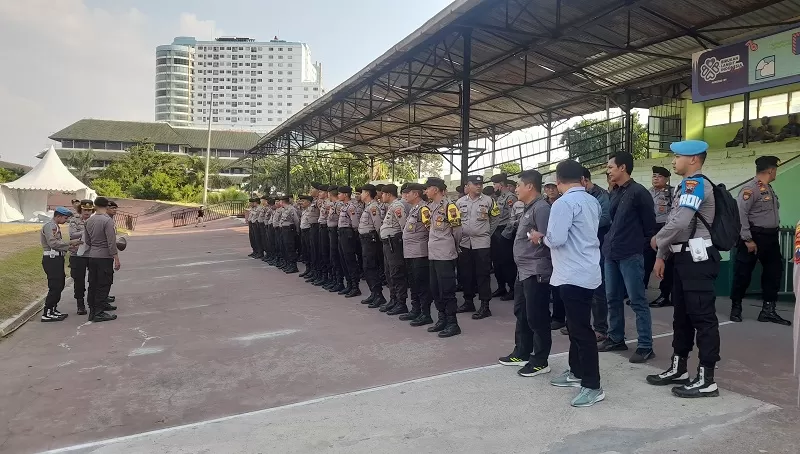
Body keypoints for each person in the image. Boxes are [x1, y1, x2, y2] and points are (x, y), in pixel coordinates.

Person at [646, 140, 722, 398]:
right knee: (682, 316)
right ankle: (679, 368)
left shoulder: (696, 184)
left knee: (703, 318)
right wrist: (661, 255)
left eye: (677, 156)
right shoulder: (682, 186)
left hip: (697, 258)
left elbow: (680, 222)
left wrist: (658, 239)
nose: (673, 161)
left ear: (693, 160)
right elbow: (676, 225)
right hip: (682, 257)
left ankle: (707, 378)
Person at [529, 160, 604, 407]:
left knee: (581, 330)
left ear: (559, 182)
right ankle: (577, 371)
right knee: (576, 325)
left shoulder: (563, 203)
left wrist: (540, 238)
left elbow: (557, 239)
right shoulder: (592, 200)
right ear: (581, 178)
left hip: (573, 273)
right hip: (587, 270)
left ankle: (592, 385)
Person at [599, 151, 657, 364]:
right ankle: (616, 338)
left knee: (637, 300)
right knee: (612, 298)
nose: (609, 171)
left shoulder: (639, 193)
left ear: (623, 168)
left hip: (630, 254)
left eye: (611, 167)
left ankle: (645, 345)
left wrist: (638, 246)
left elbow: (650, 227)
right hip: (611, 253)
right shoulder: (613, 192)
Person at [498, 170, 553, 376]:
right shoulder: (529, 207)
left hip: (536, 270)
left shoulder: (541, 209)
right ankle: (521, 351)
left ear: (530, 186)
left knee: (537, 316)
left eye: (519, 185)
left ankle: (540, 360)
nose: (516, 189)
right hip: (523, 270)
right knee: (521, 312)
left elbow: (549, 239)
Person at [729, 156, 790, 325]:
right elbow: (741, 214)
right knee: (743, 273)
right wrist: (747, 239)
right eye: (775, 169)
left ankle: (768, 310)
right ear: (771, 170)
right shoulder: (750, 189)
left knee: (774, 272)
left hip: (770, 238)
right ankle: (736, 307)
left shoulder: (768, 189)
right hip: (753, 237)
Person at [456, 175, 500, 319]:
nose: (479, 186)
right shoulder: (459, 202)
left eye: (480, 184)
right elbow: (456, 221)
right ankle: (468, 301)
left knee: (483, 274)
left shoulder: (489, 201)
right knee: (466, 274)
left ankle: (485, 305)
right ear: (468, 186)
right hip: (464, 243)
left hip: (482, 243)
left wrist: (486, 233)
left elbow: (495, 219)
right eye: (475, 184)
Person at [424, 177, 462, 337]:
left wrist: (452, 246)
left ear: (435, 189)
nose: (425, 191)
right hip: (433, 254)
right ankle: (442, 319)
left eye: (428, 188)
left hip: (445, 254)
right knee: (435, 288)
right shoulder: (430, 207)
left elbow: (458, 231)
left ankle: (453, 323)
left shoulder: (449, 206)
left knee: (447, 289)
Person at [580, 168, 611, 342]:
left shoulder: (601, 195)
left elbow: (605, 218)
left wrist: (582, 224)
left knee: (598, 288)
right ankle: (581, 324)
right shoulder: (577, 196)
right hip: (582, 247)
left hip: (598, 245)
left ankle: (601, 328)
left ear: (583, 180)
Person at [41, 207, 81, 322]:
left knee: (60, 284)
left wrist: (70, 245)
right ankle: (47, 312)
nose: (66, 220)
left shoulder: (55, 226)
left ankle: (53, 309)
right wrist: (69, 244)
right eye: (65, 217)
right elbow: (53, 243)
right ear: (58, 216)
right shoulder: (50, 226)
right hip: (51, 258)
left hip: (57, 258)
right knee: (55, 286)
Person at [402, 183, 434, 326]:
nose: (405, 196)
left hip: (420, 253)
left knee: (421, 284)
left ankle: (425, 313)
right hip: (410, 252)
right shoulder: (414, 209)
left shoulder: (424, 209)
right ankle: (416, 310)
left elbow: (430, 231)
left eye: (408, 193)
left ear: (416, 194)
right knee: (413, 283)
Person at [84, 197, 119, 323]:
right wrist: (116, 257)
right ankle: (99, 312)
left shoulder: (89, 220)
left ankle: (93, 310)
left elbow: (87, 240)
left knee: (93, 284)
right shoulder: (107, 220)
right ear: (106, 205)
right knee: (104, 283)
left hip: (92, 255)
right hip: (104, 256)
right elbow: (111, 241)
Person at [646, 166, 675, 308]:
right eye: (654, 176)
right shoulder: (647, 192)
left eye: (659, 176)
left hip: (665, 229)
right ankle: (639, 293)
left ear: (667, 178)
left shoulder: (672, 193)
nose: (656, 178)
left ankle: (665, 295)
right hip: (650, 229)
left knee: (666, 264)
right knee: (646, 262)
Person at [380, 184, 410, 315]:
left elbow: (404, 226)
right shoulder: (391, 207)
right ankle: (393, 299)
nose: (381, 196)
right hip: (387, 243)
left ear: (388, 194)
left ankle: (401, 302)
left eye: (382, 194)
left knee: (397, 273)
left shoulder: (397, 206)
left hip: (394, 243)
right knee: (389, 273)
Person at [490, 173, 519, 302]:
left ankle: (512, 288)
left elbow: (514, 218)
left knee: (507, 261)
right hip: (496, 231)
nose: (494, 187)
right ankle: (501, 286)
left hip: (505, 232)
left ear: (500, 185)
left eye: (495, 184)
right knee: (497, 261)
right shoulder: (499, 198)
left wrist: (506, 234)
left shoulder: (510, 197)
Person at [358, 184, 387, 308]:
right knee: (367, 267)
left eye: (362, 192)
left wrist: (379, 241)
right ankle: (373, 293)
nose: (360, 195)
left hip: (371, 240)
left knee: (371, 266)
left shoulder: (373, 207)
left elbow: (378, 225)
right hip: (365, 240)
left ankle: (378, 295)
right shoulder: (368, 206)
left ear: (367, 193)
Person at [543, 175, 565, 330]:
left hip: (560, 248)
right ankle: (550, 316)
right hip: (543, 247)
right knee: (548, 284)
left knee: (559, 286)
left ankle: (559, 317)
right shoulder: (542, 204)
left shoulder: (563, 203)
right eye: (547, 187)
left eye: (553, 187)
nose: (551, 190)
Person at [337, 186, 363, 298]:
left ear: (346, 195)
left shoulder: (351, 207)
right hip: (341, 233)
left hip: (348, 233)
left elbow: (355, 223)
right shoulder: (344, 206)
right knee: (343, 259)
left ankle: (355, 286)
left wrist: (352, 234)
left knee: (350, 260)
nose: (338, 195)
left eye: (340, 193)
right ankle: (349, 284)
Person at [69, 200, 94, 315]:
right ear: (80, 210)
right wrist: (86, 230)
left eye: (89, 210)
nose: (87, 212)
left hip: (92, 253)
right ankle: (80, 304)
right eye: (85, 210)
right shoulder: (74, 220)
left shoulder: (95, 220)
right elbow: (72, 234)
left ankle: (93, 302)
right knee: (79, 280)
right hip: (77, 254)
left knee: (94, 279)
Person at [325, 188, 345, 293]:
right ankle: (335, 280)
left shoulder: (339, 205)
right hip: (331, 231)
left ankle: (339, 281)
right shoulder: (333, 204)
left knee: (336, 256)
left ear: (329, 194)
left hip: (335, 232)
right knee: (332, 256)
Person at [313, 186, 331, 286]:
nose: (319, 193)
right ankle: (323, 275)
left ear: (326, 193)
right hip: (321, 227)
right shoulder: (323, 202)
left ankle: (329, 277)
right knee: (321, 252)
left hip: (326, 228)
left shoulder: (329, 203)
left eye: (321, 192)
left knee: (326, 253)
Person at [298, 195, 314, 275]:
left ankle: (312, 269)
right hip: (303, 231)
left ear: (308, 202)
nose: (301, 203)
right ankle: (308, 268)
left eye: (303, 201)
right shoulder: (304, 210)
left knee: (310, 250)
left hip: (309, 231)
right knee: (305, 251)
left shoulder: (311, 209)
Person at [261, 197, 274, 264]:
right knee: (267, 241)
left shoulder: (270, 209)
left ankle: (272, 256)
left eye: (263, 200)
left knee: (272, 242)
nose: (262, 202)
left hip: (273, 227)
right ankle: (269, 255)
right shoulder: (268, 208)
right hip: (267, 226)